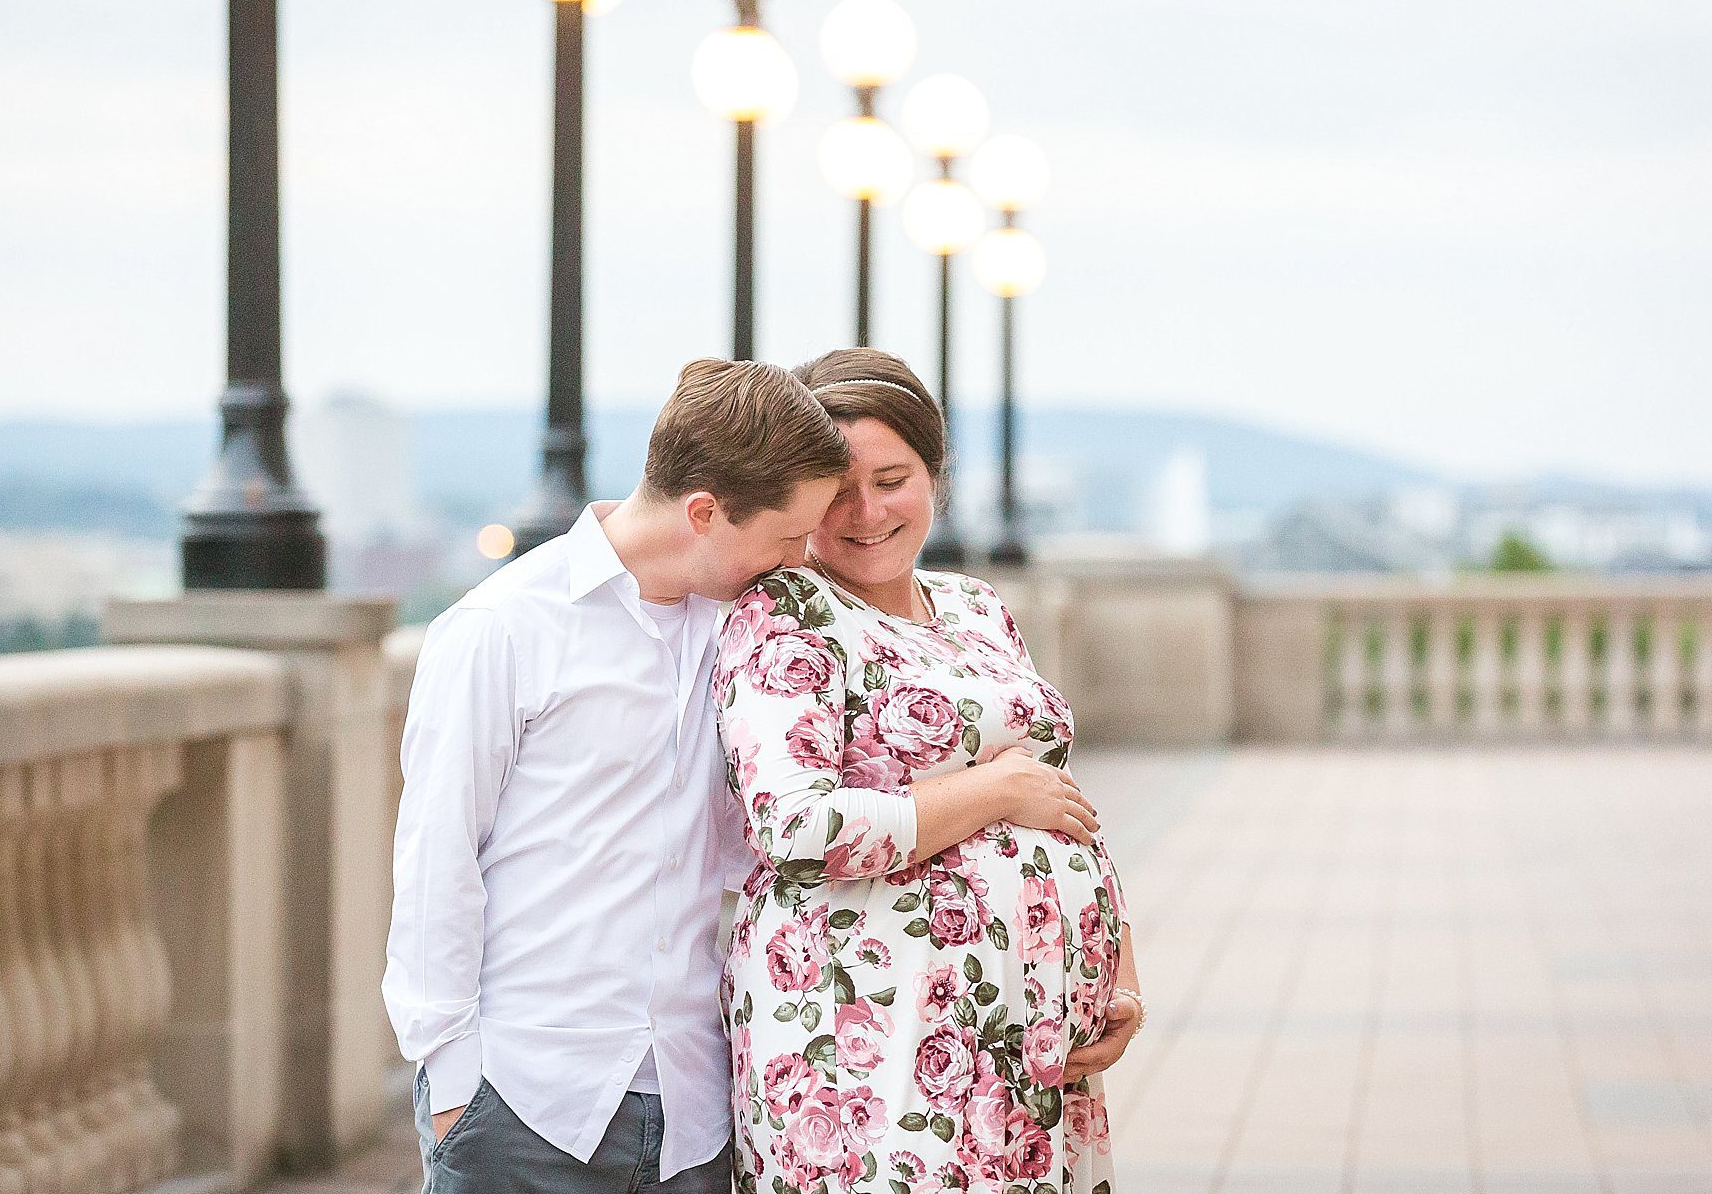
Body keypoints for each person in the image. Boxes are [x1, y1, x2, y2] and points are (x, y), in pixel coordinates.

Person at [383, 358, 851, 1194]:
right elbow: (436, 864)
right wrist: (456, 1091)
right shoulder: (501, 629)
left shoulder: (751, 639)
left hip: (696, 1114)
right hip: (523, 1105)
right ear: (704, 513)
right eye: (786, 536)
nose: (799, 560)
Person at [714, 348, 1143, 1194]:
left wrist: (1116, 972)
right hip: (871, 1029)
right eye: (836, 489)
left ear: (935, 478)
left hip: (1021, 1032)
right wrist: (988, 791)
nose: (864, 511)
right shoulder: (785, 614)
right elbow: (794, 826)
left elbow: (1055, 797)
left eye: (891, 478)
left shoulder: (977, 607)